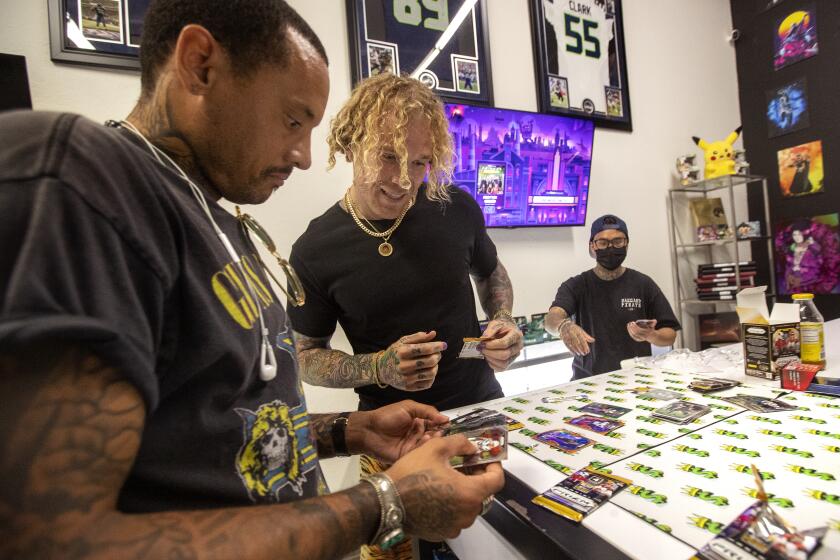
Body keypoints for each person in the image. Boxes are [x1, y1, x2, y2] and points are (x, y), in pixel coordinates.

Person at [0, 2, 503, 559]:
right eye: (292, 120)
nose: (305, 156)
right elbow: (51, 542)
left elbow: (219, 430)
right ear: (199, 65)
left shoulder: (218, 219)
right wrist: (386, 502)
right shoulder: (78, 176)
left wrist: (350, 430)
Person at [288, 73, 522, 558]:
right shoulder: (315, 249)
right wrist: (378, 367)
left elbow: (491, 272)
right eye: (388, 156)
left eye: (419, 162)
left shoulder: (455, 207)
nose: (402, 181)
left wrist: (502, 319)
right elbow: (306, 355)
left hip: (478, 409)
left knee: (505, 543)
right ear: (351, 145)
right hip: (389, 434)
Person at [544, 214, 680, 379]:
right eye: (602, 242)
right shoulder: (576, 285)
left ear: (626, 244)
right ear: (592, 247)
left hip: (637, 378)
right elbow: (551, 319)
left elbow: (670, 334)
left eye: (617, 241)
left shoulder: (643, 284)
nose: (610, 247)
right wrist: (564, 326)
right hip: (589, 381)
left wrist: (652, 335)